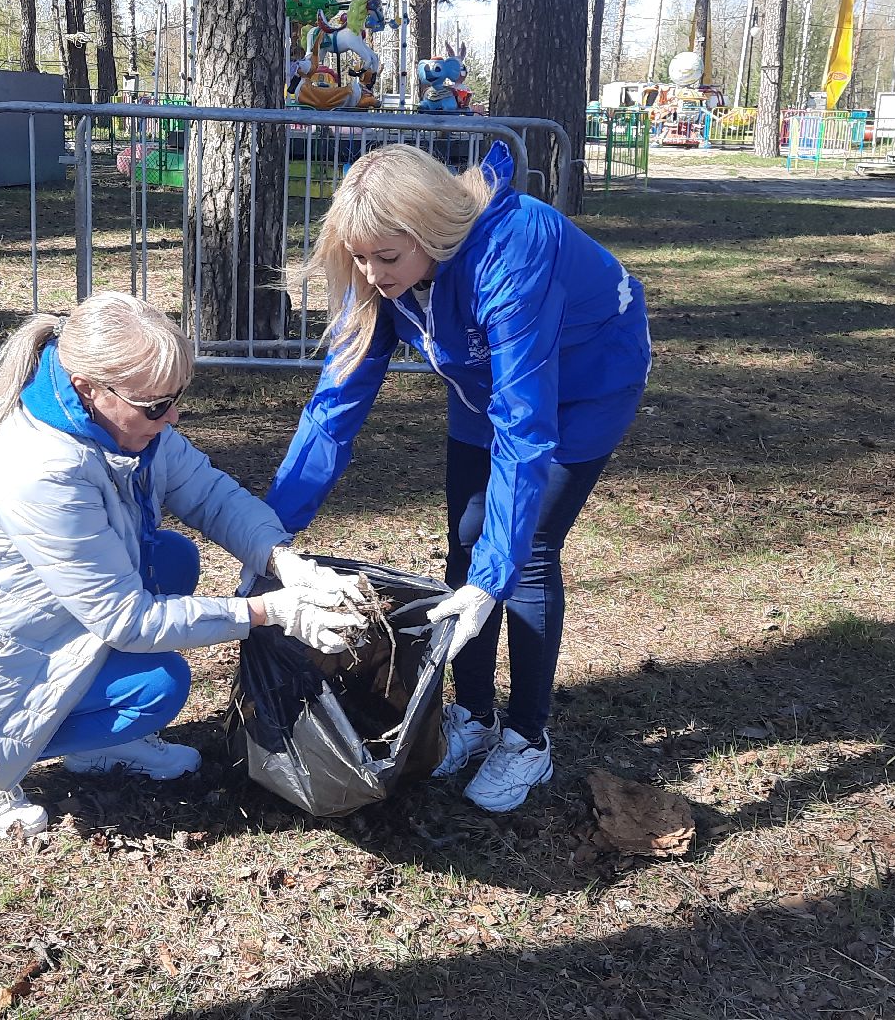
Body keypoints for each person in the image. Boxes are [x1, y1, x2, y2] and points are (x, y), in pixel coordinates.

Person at [0, 294, 370, 838]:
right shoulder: (41, 469)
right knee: (155, 687)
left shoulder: (114, 422)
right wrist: (267, 611)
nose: (170, 418)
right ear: (88, 389)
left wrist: (280, 556)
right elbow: (127, 620)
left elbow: (209, 494)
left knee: (173, 557)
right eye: (155, 406)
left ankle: (96, 744)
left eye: (176, 400)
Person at [265, 142, 651, 813]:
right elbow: (336, 407)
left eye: (387, 258)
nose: (371, 273)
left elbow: (525, 431)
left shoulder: (515, 251)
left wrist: (492, 577)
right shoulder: (383, 275)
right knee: (466, 540)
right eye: (359, 256)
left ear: (432, 233)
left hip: (586, 386)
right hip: (484, 384)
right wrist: (270, 530)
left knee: (524, 555)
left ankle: (528, 739)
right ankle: (472, 712)